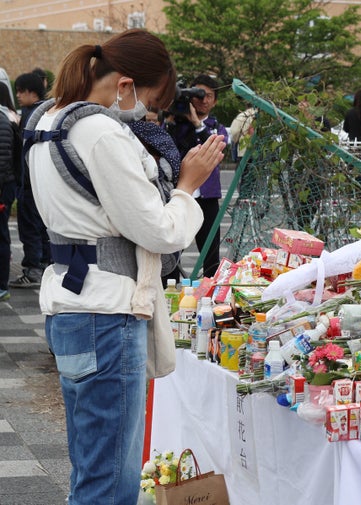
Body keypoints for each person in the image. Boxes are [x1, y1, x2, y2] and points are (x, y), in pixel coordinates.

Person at [23, 30, 225, 504]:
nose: (148, 114)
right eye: (151, 102)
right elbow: (159, 230)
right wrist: (188, 185)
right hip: (107, 315)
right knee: (112, 483)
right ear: (126, 83)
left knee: (92, 472)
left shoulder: (49, 119)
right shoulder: (98, 132)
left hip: (71, 302)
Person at [166, 74, 228, 279]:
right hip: (180, 195)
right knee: (172, 250)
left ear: (215, 101)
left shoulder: (216, 127)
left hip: (208, 199)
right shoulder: (175, 125)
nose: (203, 100)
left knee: (210, 254)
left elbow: (216, 149)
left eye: (208, 96)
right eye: (199, 95)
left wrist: (196, 123)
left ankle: (212, 298)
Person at [11, 72, 50, 288]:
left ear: (31, 92)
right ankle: (44, 264)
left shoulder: (30, 113)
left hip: (29, 182)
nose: (17, 95)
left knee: (29, 227)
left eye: (20, 91)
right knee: (42, 225)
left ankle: (33, 268)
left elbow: (23, 149)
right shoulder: (46, 111)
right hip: (41, 181)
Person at [0, 82, 20, 301]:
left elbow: (3, 158)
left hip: (3, 186)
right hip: (8, 183)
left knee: (1, 235)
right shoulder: (9, 117)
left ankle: (2, 284)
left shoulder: (3, 119)